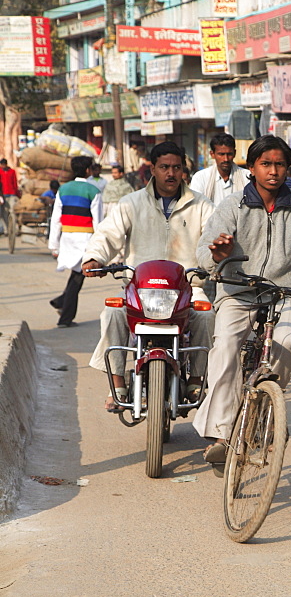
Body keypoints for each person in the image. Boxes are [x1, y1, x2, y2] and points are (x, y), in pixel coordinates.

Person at [194, 135, 291, 464]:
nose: (273, 171)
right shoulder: (232, 206)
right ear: (252, 168)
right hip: (237, 290)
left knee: (287, 340)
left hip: (283, 291)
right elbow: (204, 250)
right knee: (226, 348)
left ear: (288, 168)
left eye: (280, 164)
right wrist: (219, 253)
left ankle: (266, 406)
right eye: (265, 164)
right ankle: (220, 432)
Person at [81, 141, 216, 412]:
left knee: (206, 315)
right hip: (138, 288)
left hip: (187, 287)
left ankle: (197, 379)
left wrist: (216, 261)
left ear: (184, 171)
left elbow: (213, 241)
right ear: (152, 169)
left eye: (176, 167)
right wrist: (95, 257)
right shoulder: (131, 203)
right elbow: (108, 234)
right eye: (164, 167)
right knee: (112, 313)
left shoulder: (202, 205)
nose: (171, 173)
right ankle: (117, 383)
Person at [48, 156, 103, 328]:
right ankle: (65, 318)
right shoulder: (93, 190)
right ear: (88, 170)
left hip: (67, 237)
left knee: (76, 275)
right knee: (78, 277)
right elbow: (98, 222)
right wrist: (99, 246)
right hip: (85, 238)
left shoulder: (63, 190)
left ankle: (60, 302)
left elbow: (56, 219)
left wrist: (54, 245)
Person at [189, 133, 251, 207]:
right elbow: (196, 207)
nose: (226, 159)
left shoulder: (247, 176)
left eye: (229, 154)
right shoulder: (200, 178)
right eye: (221, 154)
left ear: (234, 153)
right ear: (212, 154)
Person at [0, 157, 18, 234]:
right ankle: (6, 229)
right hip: (3, 194)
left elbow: (15, 182)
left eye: (4, 164)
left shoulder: (12, 172)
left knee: (12, 211)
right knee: (4, 212)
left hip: (11, 194)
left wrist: (16, 192)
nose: (3, 166)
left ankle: (14, 228)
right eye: (2, 165)